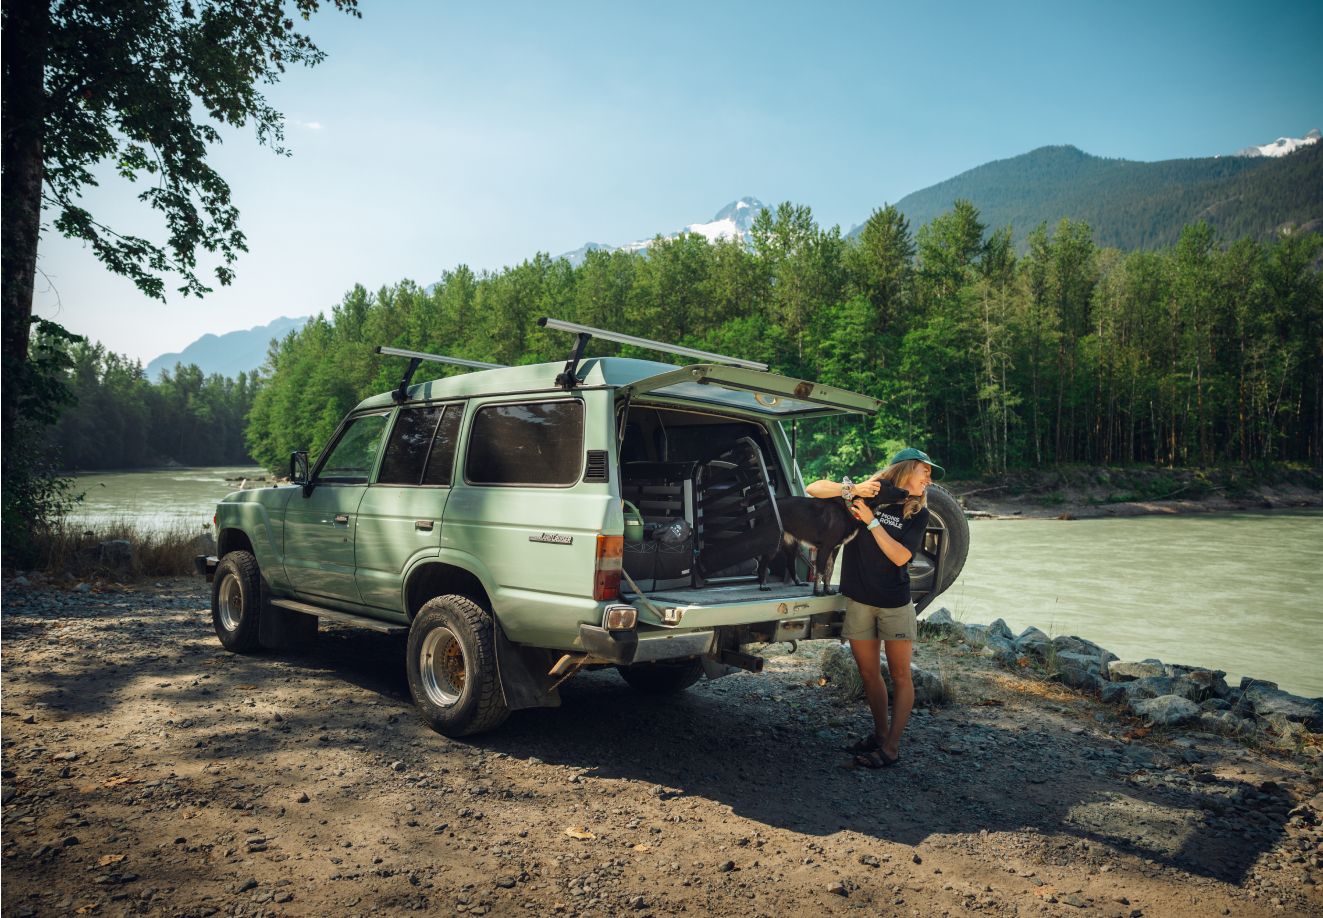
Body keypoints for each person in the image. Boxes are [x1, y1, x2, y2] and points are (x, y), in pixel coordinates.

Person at [805, 447, 943, 768]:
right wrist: (851, 491)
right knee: (868, 673)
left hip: (894, 603)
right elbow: (813, 488)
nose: (929, 479)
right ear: (906, 469)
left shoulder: (917, 512)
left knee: (900, 675)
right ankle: (880, 736)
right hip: (859, 600)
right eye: (926, 471)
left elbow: (900, 557)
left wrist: (870, 522)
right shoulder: (870, 493)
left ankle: (892, 748)